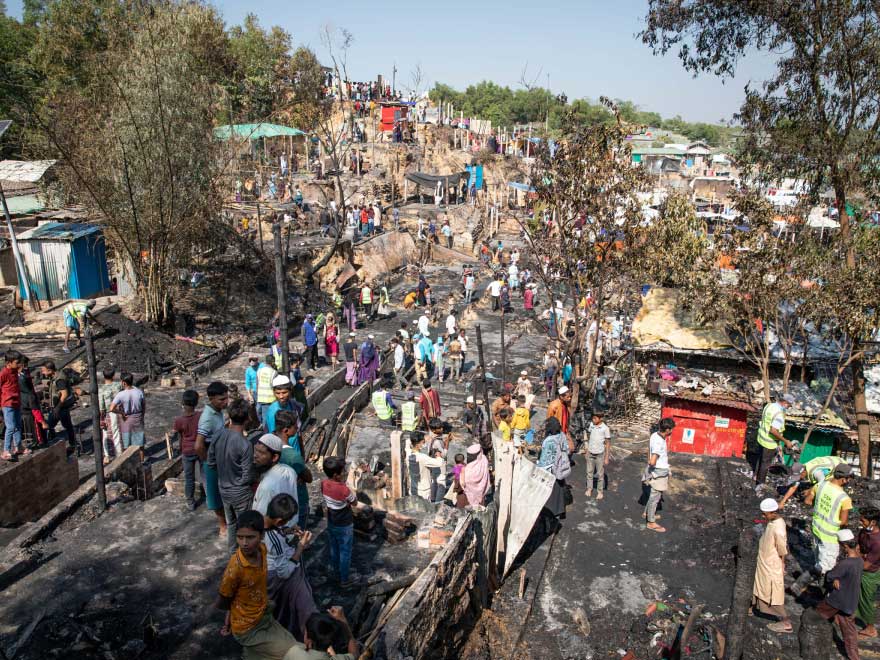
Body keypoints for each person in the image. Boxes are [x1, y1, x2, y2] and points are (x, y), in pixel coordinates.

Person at [215, 510, 297, 660]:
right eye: (240, 537)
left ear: (262, 536)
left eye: (250, 537)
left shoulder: (262, 550)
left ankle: (251, 654)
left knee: (290, 642)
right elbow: (223, 600)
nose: (244, 543)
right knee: (292, 650)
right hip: (247, 628)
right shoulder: (235, 569)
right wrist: (231, 619)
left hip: (262, 614)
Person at [792, 462, 855, 596]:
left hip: (816, 529)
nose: (848, 481)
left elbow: (808, 501)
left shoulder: (820, 485)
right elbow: (843, 521)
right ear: (844, 479)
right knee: (826, 566)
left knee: (819, 561)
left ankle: (820, 587)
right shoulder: (844, 498)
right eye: (849, 479)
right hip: (830, 536)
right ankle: (800, 585)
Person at [264, 493, 317, 641]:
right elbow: (284, 572)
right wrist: (300, 546)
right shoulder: (274, 542)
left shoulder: (261, 520)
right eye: (285, 522)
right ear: (279, 520)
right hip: (278, 576)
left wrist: (286, 530)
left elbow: (274, 532)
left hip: (269, 568)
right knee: (302, 608)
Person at [209, 398, 255, 554]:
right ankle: (244, 556)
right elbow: (247, 475)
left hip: (224, 488)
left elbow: (211, 462)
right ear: (248, 417)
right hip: (240, 492)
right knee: (246, 527)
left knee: (231, 523)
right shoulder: (245, 444)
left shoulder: (218, 436)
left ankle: (232, 551)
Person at [815, 529, 863, 660]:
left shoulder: (845, 563)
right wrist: (837, 577)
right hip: (851, 600)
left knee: (815, 615)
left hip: (838, 600)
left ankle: (816, 639)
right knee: (850, 631)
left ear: (845, 546)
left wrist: (834, 577)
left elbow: (830, 575)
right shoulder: (859, 561)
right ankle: (854, 657)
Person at [753, 498, 792, 633]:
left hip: (771, 564)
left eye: (765, 514)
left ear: (772, 513)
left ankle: (785, 621)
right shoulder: (772, 522)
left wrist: (782, 563)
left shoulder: (778, 528)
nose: (764, 516)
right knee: (761, 586)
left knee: (772, 592)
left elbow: (782, 549)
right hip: (765, 561)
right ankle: (756, 607)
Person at [196, 381, 230, 537]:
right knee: (214, 494)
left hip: (220, 457)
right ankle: (222, 525)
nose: (225, 402)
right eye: (221, 399)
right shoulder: (207, 418)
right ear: (211, 398)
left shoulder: (218, 412)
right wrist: (207, 462)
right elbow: (198, 445)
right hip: (211, 460)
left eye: (226, 398)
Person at [321, 456, 358, 588]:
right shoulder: (343, 489)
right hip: (344, 523)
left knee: (334, 548)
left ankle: (336, 571)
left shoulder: (324, 484)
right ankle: (344, 579)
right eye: (342, 472)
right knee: (345, 551)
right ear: (336, 475)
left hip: (332, 521)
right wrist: (350, 488)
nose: (344, 474)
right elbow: (354, 502)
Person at [274, 410, 313, 529]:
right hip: (297, 498)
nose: (297, 428)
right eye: (295, 426)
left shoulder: (269, 445)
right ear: (286, 430)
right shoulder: (292, 456)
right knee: (298, 530)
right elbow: (309, 478)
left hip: (278, 497)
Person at [253, 434, 299, 522]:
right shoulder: (289, 471)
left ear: (274, 457)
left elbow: (261, 520)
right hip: (289, 528)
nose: (255, 455)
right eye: (255, 450)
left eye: (261, 453)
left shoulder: (267, 487)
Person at [755, 393, 796, 486]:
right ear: (785, 403)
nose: (789, 407)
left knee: (760, 459)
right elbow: (773, 430)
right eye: (789, 405)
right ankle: (760, 484)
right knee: (765, 464)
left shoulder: (769, 406)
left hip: (761, 437)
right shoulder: (778, 414)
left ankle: (755, 476)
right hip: (769, 443)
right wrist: (786, 441)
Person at [286, 609, 360, 659]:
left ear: (309, 641)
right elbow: (355, 654)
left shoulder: (294, 652)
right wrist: (343, 621)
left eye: (305, 631)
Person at [778, 455, 845, 508]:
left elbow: (822, 486)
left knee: (830, 487)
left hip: (840, 466)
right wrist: (782, 502)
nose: (798, 478)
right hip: (829, 463)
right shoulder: (802, 467)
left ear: (803, 472)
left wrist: (809, 491)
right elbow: (793, 487)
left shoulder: (816, 473)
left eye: (799, 476)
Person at [537, 417, 570, 520]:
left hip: (551, 470)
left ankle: (550, 513)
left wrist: (539, 468)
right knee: (559, 488)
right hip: (560, 467)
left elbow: (545, 459)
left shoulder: (549, 440)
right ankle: (560, 510)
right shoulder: (562, 435)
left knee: (550, 493)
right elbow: (567, 450)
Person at [172, 389, 201, 510]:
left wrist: (180, 447)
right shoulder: (200, 416)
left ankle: (190, 502)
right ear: (196, 403)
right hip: (200, 448)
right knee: (205, 475)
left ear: (183, 403)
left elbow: (179, 436)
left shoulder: (179, 420)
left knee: (189, 478)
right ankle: (211, 497)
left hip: (187, 450)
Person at [645, 418, 675, 533]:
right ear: (667, 430)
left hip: (658, 470)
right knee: (655, 497)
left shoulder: (654, 435)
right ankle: (651, 522)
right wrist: (652, 465)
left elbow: (649, 450)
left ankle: (648, 514)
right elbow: (653, 460)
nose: (672, 431)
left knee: (654, 495)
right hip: (659, 472)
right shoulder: (659, 442)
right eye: (671, 429)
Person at [109, 371, 146, 461]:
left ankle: (128, 463)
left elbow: (111, 408)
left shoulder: (120, 394)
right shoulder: (139, 392)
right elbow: (144, 406)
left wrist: (121, 413)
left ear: (124, 383)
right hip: (138, 418)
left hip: (126, 420)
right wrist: (141, 417)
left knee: (126, 445)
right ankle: (141, 463)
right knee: (140, 444)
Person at [41, 361, 77, 449]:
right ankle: (72, 444)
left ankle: (46, 443)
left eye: (44, 371)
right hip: (60, 407)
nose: (42, 373)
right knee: (68, 426)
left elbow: (64, 394)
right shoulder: (56, 376)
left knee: (48, 424)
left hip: (60, 407)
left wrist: (57, 407)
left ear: (50, 370)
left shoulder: (59, 380)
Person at [857, 507, 880, 639]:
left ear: (873, 522)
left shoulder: (877, 542)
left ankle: (870, 627)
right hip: (862, 563)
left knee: (866, 599)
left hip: (870, 572)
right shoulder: (865, 532)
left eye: (863, 520)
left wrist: (854, 558)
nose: (860, 521)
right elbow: (859, 545)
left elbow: (866, 565)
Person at [408, 432, 446, 501]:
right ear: (417, 445)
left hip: (413, 487)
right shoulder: (422, 457)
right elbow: (439, 463)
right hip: (424, 491)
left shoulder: (408, 454)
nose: (424, 443)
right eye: (423, 442)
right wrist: (438, 456)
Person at [1, 350, 23, 461]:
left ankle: (18, 447)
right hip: (8, 403)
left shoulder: (15, 371)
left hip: (16, 402)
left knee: (18, 425)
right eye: (16, 362)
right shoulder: (4, 373)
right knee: (10, 427)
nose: (18, 364)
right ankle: (6, 450)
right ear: (9, 363)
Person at [584, 411, 611, 500]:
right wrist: (586, 449)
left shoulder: (605, 428)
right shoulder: (591, 425)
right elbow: (588, 435)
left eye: (595, 418)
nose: (593, 419)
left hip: (600, 454)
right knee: (589, 472)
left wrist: (606, 457)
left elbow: (607, 443)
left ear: (600, 419)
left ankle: (600, 491)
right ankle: (589, 488)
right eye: (593, 418)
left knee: (600, 474)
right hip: (590, 452)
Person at [547, 386, 574, 452]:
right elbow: (549, 419)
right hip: (557, 431)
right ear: (561, 397)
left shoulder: (566, 403)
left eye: (570, 397)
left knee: (571, 448)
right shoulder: (554, 405)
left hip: (565, 430)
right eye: (568, 397)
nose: (570, 398)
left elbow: (569, 415)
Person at [255, 355, 278, 423]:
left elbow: (257, 384)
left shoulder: (259, 371)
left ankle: (265, 429)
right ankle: (269, 431)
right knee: (271, 417)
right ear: (273, 362)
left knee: (264, 416)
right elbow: (275, 386)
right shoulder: (274, 372)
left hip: (261, 397)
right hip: (271, 398)